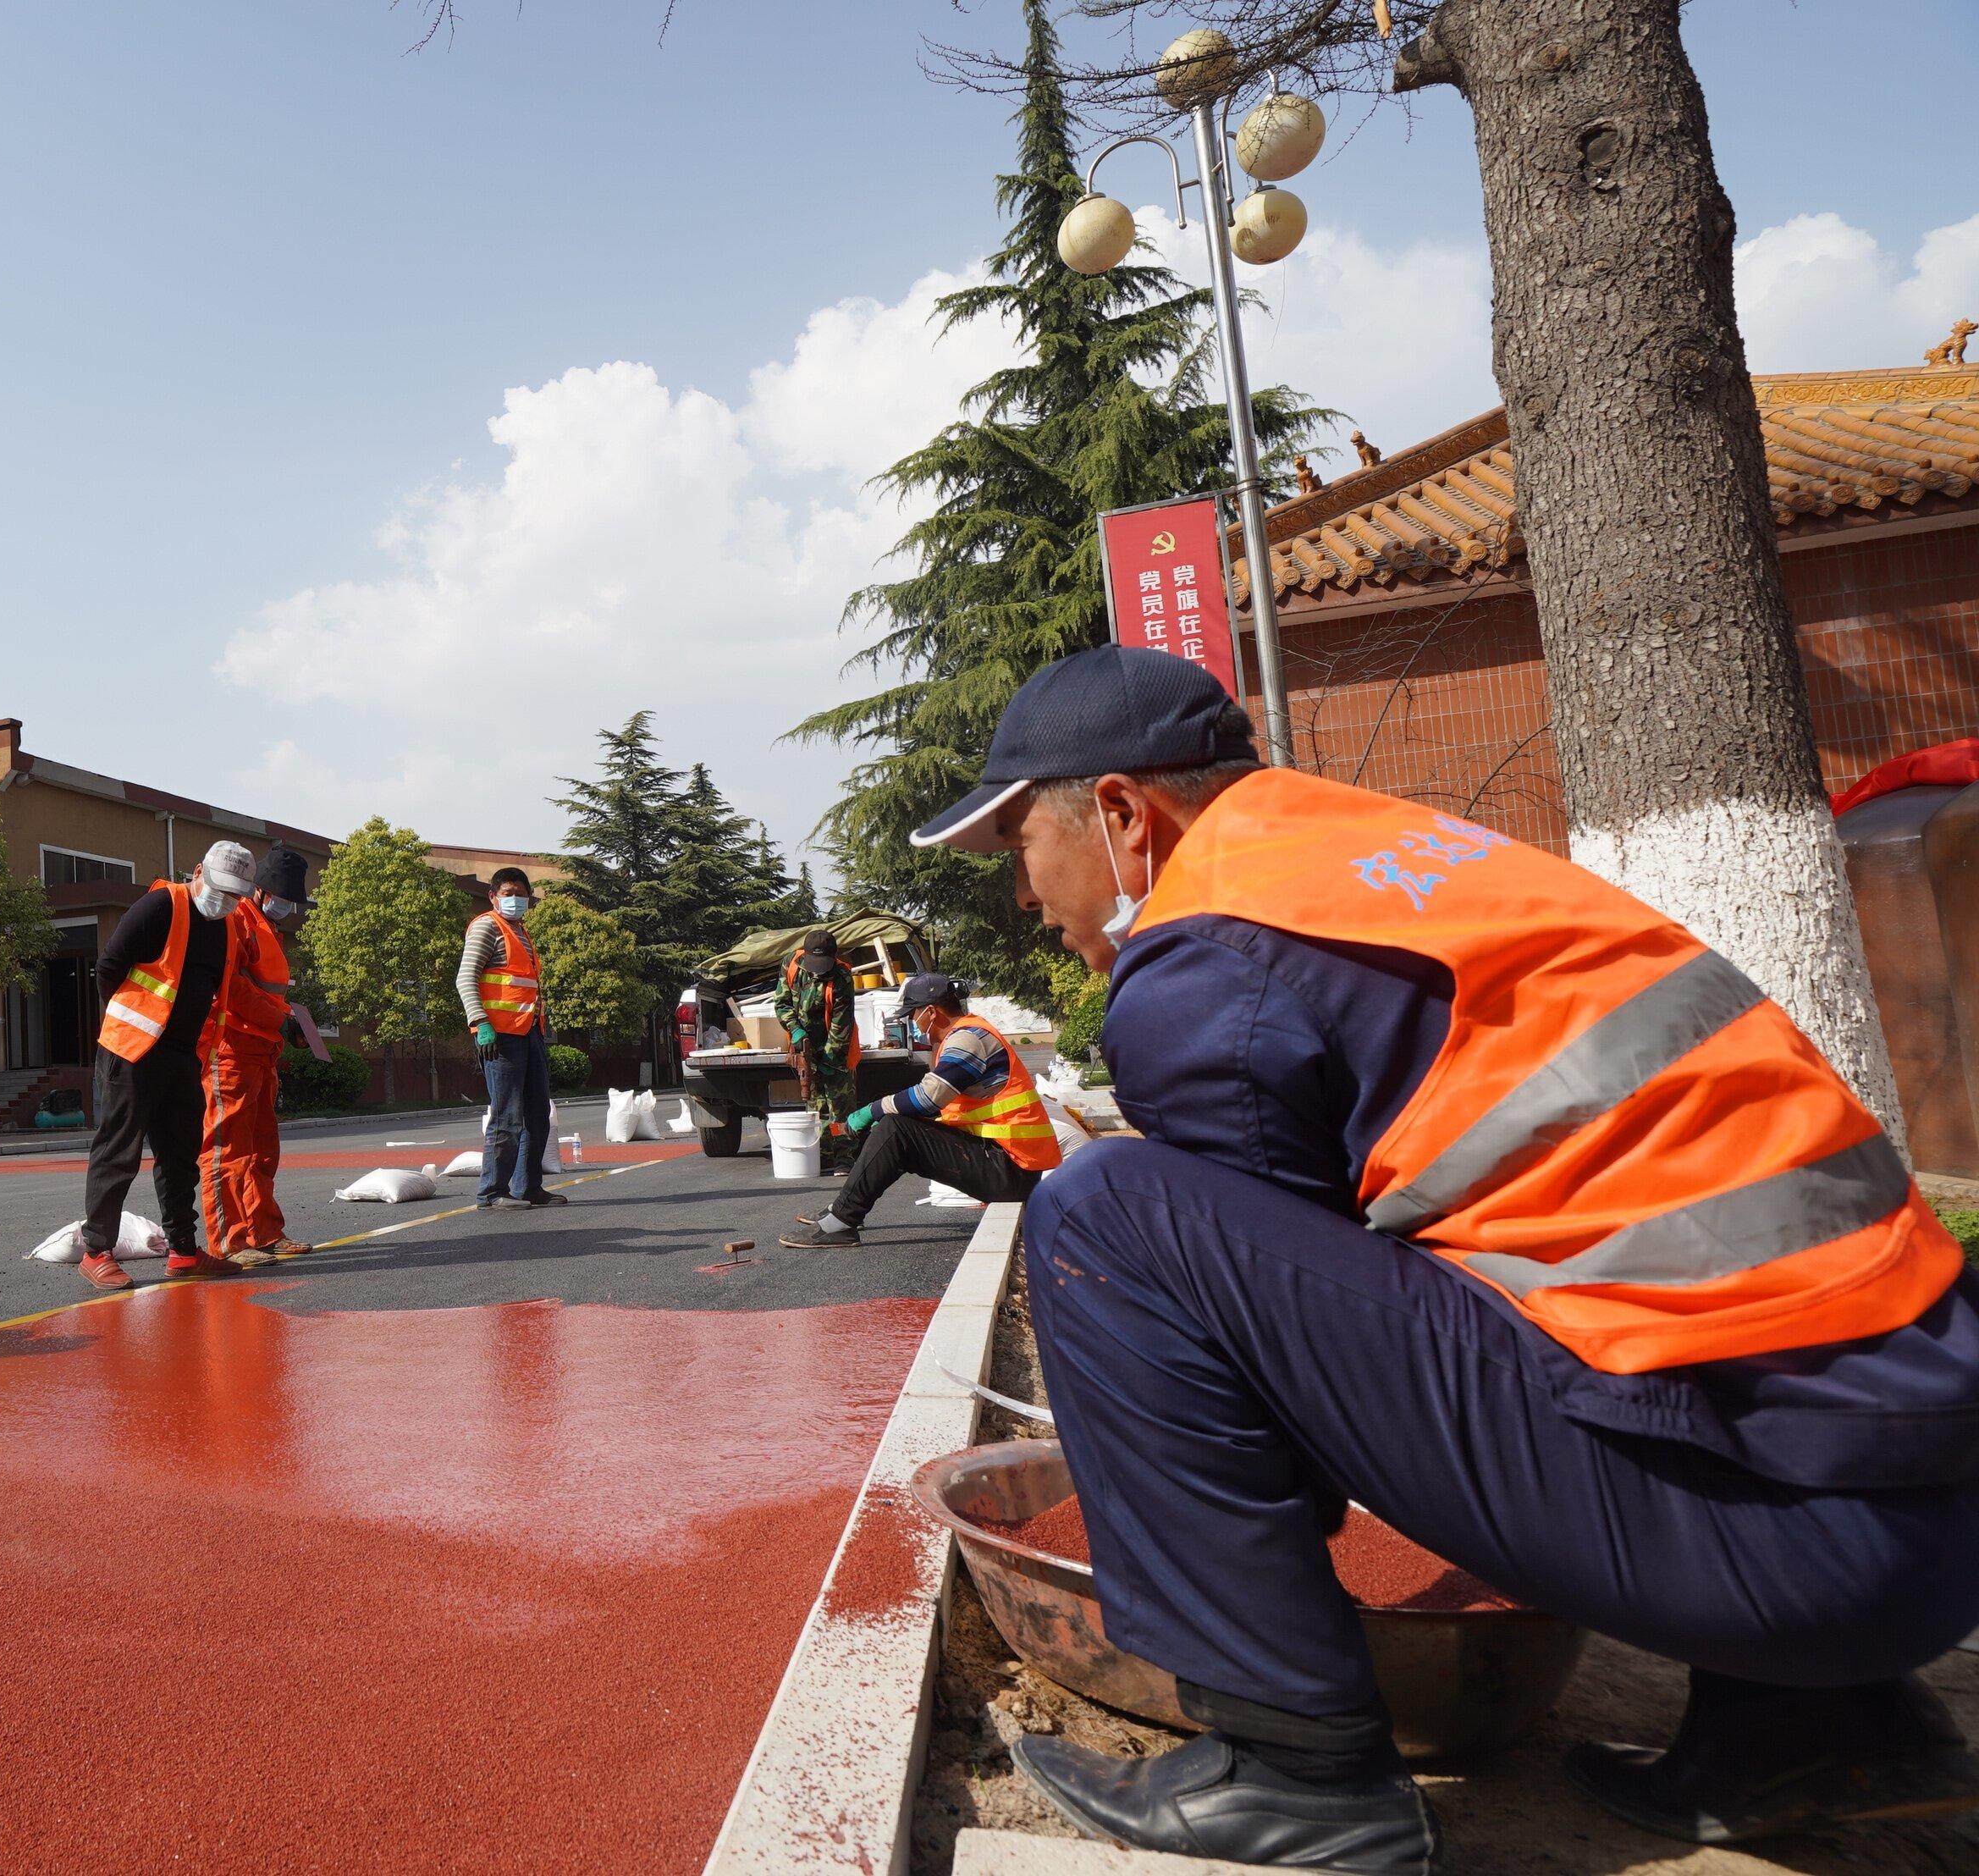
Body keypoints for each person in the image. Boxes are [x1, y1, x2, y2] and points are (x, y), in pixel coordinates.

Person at [917, 645, 1979, 1868]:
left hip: (1788, 1552)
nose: (1023, 900)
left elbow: (1261, 1388)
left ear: (1118, 812)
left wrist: (1166, 1503)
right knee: (1598, 1278)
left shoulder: (1210, 959)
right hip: (1926, 1525)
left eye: (1016, 853)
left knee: (1103, 1213)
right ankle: (1821, 1730)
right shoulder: (1392, 863)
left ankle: (1293, 1767)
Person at [70, 841, 257, 1290]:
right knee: (119, 1151)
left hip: (181, 1055)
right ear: (198, 872)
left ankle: (183, 1251)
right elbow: (109, 967)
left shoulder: (227, 926)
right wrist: (131, 1025)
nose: (225, 901)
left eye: (235, 895)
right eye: (219, 890)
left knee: (179, 1156)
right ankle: (97, 1251)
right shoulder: (162, 904)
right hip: (131, 1051)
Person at [779, 970, 1057, 1248]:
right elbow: (944, 1106)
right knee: (894, 1129)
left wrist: (875, 1110)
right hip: (1007, 1162)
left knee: (895, 1129)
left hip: (1012, 1169)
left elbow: (928, 1098)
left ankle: (841, 1221)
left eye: (913, 1014)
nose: (913, 1022)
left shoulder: (969, 1039)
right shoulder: (967, 1033)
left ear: (931, 1012)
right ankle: (844, 1210)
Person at [201, 850, 320, 1264]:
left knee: (262, 1149)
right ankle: (229, 1242)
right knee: (228, 1149)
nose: (287, 906)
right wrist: (281, 1018)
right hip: (232, 1049)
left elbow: (266, 989)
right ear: (259, 889)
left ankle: (264, 1232)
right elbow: (227, 984)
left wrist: (291, 1024)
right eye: (282, 896)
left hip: (262, 1049)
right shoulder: (236, 920)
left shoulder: (267, 927)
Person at [458, 867, 567, 1211]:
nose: (515, 899)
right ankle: (491, 1193)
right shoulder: (487, 926)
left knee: (537, 1114)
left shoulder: (520, 932)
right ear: (493, 896)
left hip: (529, 1032)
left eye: (521, 893)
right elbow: (465, 978)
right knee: (507, 1117)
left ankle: (527, 1188)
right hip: (500, 1036)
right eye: (508, 893)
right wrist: (480, 1022)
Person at [780, 930, 863, 1170]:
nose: (818, 970)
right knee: (816, 1106)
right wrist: (795, 1030)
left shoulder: (842, 976)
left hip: (839, 1048)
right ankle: (822, 1156)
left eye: (823, 964)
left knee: (840, 1108)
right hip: (805, 1046)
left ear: (834, 958)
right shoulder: (792, 964)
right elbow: (782, 1003)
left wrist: (830, 1059)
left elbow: (841, 1024)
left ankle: (843, 1158)